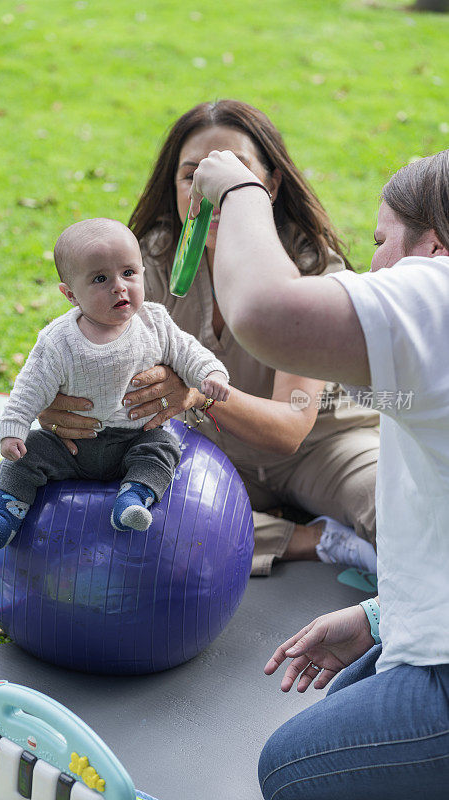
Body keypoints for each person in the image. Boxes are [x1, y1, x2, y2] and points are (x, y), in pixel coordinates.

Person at [189, 147, 449, 797]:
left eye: (382, 241)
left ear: (435, 251)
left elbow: (266, 312)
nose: (376, 264)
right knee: (341, 699)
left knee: (292, 768)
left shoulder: (439, 292)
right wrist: (385, 617)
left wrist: (240, 189)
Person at [38, 101, 379, 575]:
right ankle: (311, 539)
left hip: (326, 445)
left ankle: (267, 529)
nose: (208, 191)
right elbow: (75, 360)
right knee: (130, 513)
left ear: (270, 186)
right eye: (191, 175)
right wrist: (55, 405)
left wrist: (196, 394)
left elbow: (289, 429)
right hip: (210, 451)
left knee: (403, 510)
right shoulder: (145, 266)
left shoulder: (310, 270)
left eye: (231, 173)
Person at [0, 218, 229, 548]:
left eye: (128, 273)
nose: (119, 286)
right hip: (71, 445)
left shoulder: (155, 322)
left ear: (142, 273)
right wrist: (13, 428)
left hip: (135, 438)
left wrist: (210, 374)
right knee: (28, 453)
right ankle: (4, 518)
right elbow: (30, 387)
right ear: (70, 294)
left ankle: (133, 500)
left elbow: (189, 351)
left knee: (164, 447)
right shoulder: (59, 341)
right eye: (100, 278)